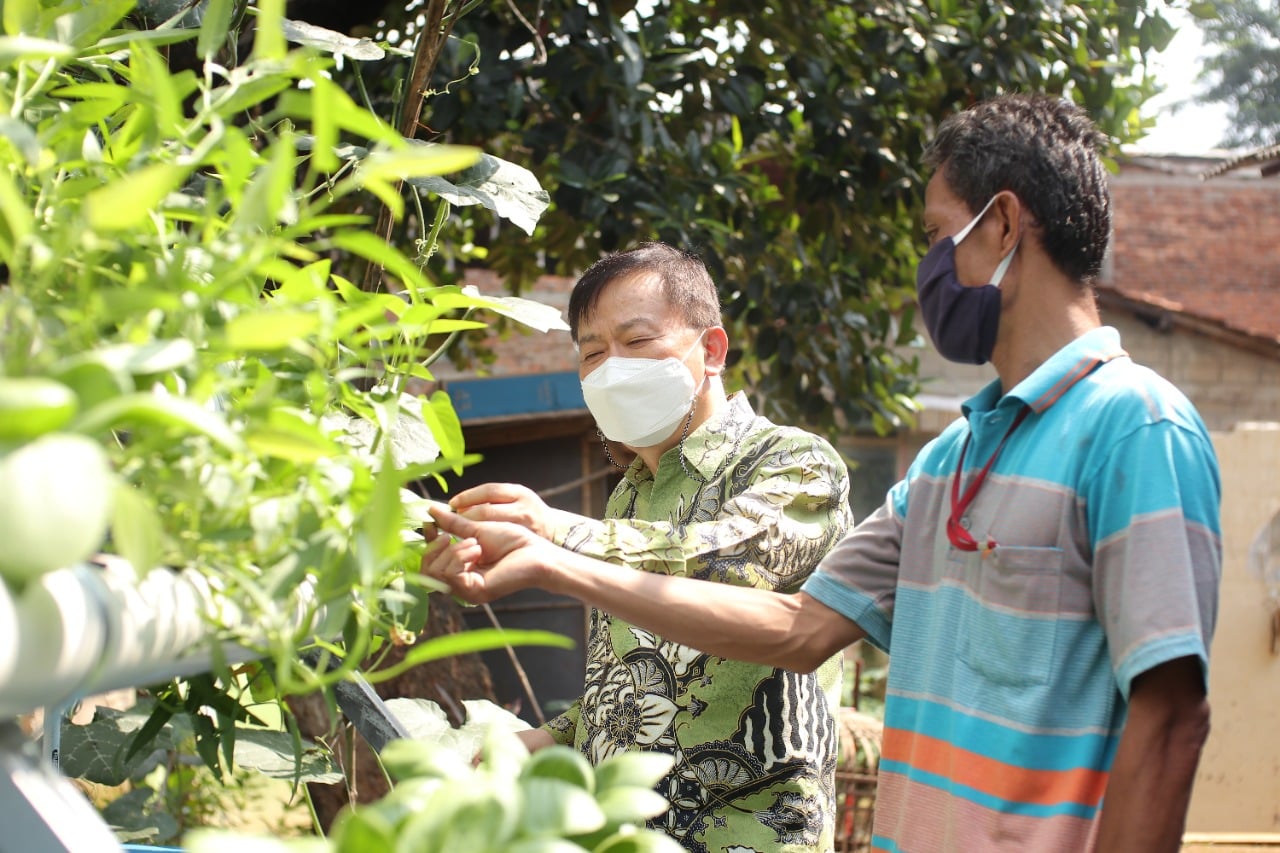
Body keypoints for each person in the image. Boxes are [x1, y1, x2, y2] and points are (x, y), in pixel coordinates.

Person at [423, 94, 1222, 852]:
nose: (929, 265)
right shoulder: (947, 463)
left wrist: (556, 543)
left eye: (937, 233)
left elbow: (1172, 716)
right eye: (592, 352)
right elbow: (799, 629)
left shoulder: (1134, 426)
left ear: (1004, 223)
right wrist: (550, 600)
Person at [434, 242, 854, 852]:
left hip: (748, 835)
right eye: (592, 353)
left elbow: (728, 563)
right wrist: (547, 739)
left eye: (636, 341)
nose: (612, 369)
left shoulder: (796, 461)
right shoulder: (627, 499)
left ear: (712, 350)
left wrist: (555, 536)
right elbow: (632, 679)